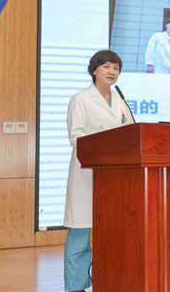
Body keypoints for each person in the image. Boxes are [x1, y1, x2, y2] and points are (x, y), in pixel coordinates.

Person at [64, 50, 133, 292]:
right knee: (80, 236)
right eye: (106, 66)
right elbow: (76, 137)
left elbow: (130, 134)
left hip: (115, 178)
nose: (112, 72)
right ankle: (76, 287)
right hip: (87, 175)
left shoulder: (121, 101)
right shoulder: (81, 99)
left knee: (112, 235)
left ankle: (110, 281)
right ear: (94, 70)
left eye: (116, 68)